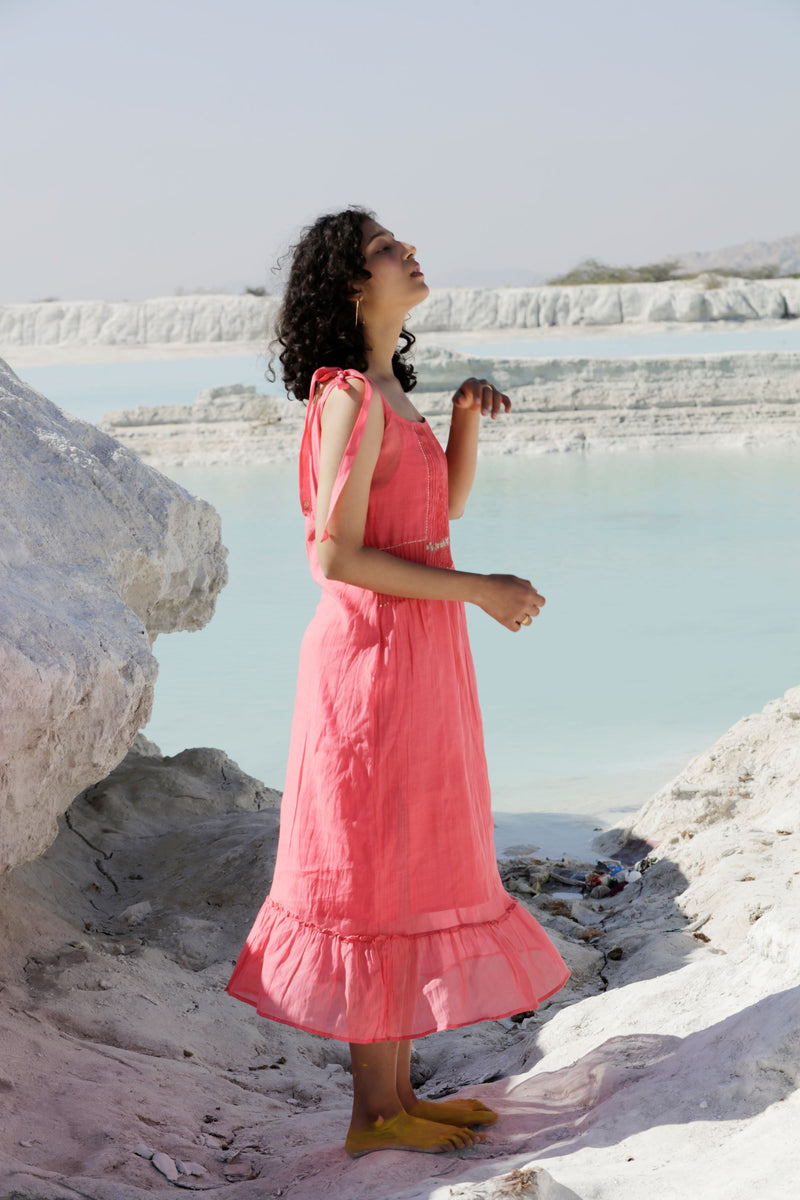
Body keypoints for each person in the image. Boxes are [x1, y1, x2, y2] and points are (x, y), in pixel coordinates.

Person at [226, 207, 570, 1157]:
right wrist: (482, 591)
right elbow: (334, 556)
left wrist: (460, 424)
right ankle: (371, 1115)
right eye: (386, 248)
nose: (409, 252)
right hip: (371, 662)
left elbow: (434, 514)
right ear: (350, 285)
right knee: (373, 865)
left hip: (420, 659)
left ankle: (396, 1099)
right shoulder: (344, 394)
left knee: (409, 857)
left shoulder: (390, 388)